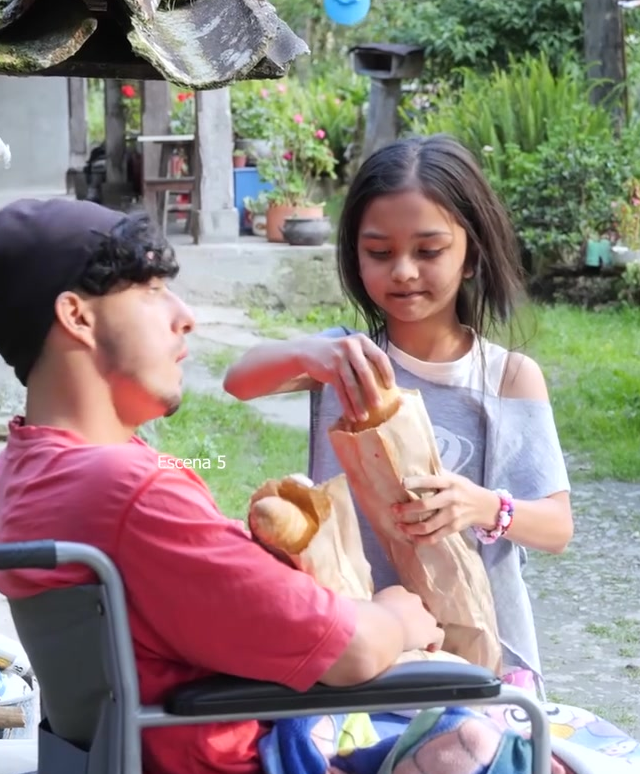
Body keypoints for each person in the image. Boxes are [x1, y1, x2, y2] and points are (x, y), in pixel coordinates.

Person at [0, 197, 444, 774]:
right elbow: (354, 651)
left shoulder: (22, 472)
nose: (186, 317)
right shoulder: (130, 489)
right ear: (77, 317)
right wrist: (398, 614)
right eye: (150, 290)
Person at [223, 133, 575, 699]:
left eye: (429, 251)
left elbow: (557, 527)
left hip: (477, 651)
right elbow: (239, 380)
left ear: (471, 254)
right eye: (380, 253)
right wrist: (306, 352)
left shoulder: (506, 377)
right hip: (360, 640)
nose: (404, 271)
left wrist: (481, 506)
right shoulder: (346, 362)